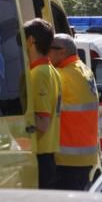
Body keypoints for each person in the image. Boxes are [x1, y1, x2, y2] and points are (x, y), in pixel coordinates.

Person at [48, 33, 99, 190]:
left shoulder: (64, 76)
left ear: (61, 52)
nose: (46, 53)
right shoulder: (84, 70)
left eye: (48, 49)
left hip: (67, 160)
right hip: (85, 158)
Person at [23, 18, 61, 189]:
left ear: (31, 41)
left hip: (39, 157)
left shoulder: (39, 74)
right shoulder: (52, 70)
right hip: (47, 155)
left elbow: (42, 123)